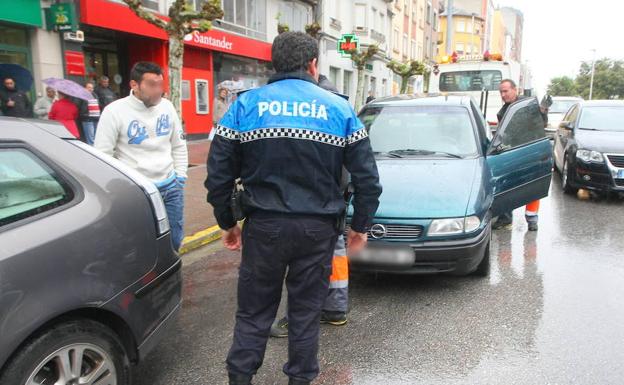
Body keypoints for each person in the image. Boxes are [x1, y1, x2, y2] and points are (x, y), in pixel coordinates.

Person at [206, 31, 382, 385]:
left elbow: (218, 174)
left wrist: (228, 222)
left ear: (274, 63)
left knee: (254, 313)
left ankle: (239, 378)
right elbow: (368, 178)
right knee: (305, 315)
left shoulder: (244, 106)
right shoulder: (339, 108)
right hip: (317, 231)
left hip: (264, 227)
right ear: (313, 64)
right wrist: (359, 227)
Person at [271, 74, 352, 338]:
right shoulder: (340, 109)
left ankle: (296, 318)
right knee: (336, 256)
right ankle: (335, 310)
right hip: (333, 202)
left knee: (302, 264)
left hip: (313, 205)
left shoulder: (315, 111)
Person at [94, 62, 188, 250]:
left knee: (174, 241)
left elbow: (178, 144)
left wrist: (180, 176)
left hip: (171, 187)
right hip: (137, 190)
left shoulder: (167, 107)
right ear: (134, 85)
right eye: (152, 85)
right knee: (140, 243)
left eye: (160, 84)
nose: (158, 90)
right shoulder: (114, 111)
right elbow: (103, 155)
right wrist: (119, 189)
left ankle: (169, 275)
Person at [492, 79, 547, 232]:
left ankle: (532, 219)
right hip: (514, 152)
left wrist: (543, 111)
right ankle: (505, 219)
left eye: (506, 91)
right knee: (507, 185)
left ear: (515, 90)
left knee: (533, 187)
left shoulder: (528, 104)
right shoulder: (503, 112)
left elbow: (542, 124)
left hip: (533, 150)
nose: (503, 95)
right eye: (501, 92)